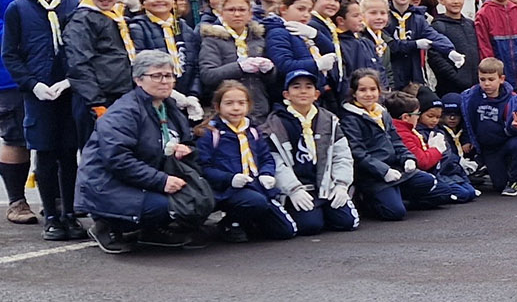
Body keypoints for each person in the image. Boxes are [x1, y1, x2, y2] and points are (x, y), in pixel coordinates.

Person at [77, 50, 208, 253]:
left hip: (147, 176)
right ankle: (107, 225)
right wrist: (161, 181)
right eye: (156, 76)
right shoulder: (123, 112)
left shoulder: (169, 106)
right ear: (138, 80)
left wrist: (186, 149)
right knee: (168, 205)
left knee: (200, 197)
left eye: (169, 75)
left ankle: (151, 230)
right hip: (108, 184)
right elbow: (118, 160)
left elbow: (187, 141)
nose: (165, 81)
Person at [2, 0, 81, 238]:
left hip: (69, 91)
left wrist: (72, 79)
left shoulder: (74, 5)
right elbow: (10, 55)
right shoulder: (18, 9)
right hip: (38, 93)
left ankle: (70, 213)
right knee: (45, 154)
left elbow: (84, 50)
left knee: (69, 154)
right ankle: (51, 215)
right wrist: (32, 84)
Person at [195, 81, 298, 242]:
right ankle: (230, 224)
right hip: (226, 189)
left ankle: (249, 222)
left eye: (241, 103)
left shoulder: (253, 131)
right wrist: (229, 178)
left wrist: (266, 173)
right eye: (229, 103)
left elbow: (266, 157)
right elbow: (203, 167)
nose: (236, 108)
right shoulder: (211, 133)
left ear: (248, 105)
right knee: (255, 202)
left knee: (285, 231)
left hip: (255, 185)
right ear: (217, 106)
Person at [262, 70, 359, 235]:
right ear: (286, 94)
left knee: (347, 222)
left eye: (308, 87)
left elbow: (342, 155)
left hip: (325, 185)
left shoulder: (329, 120)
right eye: (296, 87)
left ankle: (325, 210)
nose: (303, 91)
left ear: (316, 94)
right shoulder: (275, 124)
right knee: (310, 226)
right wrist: (293, 189)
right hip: (298, 188)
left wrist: (341, 184)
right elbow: (276, 162)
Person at [338, 68, 439, 219]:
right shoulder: (350, 119)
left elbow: (396, 140)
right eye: (362, 90)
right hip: (373, 175)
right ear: (354, 93)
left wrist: (407, 157)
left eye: (373, 89)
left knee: (428, 181)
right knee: (395, 213)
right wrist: (384, 171)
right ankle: (368, 201)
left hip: (395, 169)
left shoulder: (382, 113)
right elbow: (358, 153)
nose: (368, 94)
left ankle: (396, 196)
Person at [64, 0, 137, 143]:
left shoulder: (117, 17)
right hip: (98, 100)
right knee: (98, 153)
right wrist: (96, 103)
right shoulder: (82, 20)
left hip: (122, 94)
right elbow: (79, 64)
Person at [198, 0, 274, 118]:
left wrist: (270, 71)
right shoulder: (212, 39)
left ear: (250, 14)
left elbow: (272, 82)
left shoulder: (259, 38)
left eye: (242, 10)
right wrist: (239, 67)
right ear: (221, 13)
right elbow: (208, 75)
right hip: (226, 110)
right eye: (231, 10)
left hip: (259, 108)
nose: (237, 14)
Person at [126, 0, 203, 104]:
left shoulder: (184, 27)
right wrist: (171, 94)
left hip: (185, 96)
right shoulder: (137, 27)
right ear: (143, 2)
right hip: (153, 98)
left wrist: (193, 94)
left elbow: (195, 65)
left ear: (174, 0)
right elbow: (138, 66)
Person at [460, 58, 517, 196]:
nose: (486, 84)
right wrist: (467, 139)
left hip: (506, 141)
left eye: (491, 79)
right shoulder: (471, 97)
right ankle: (488, 167)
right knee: (499, 186)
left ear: (501, 79)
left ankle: (515, 180)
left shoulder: (512, 99)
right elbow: (467, 120)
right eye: (482, 79)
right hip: (488, 148)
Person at [385, 93, 471, 203]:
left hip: (434, 172)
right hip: (412, 176)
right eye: (417, 114)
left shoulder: (410, 130)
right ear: (406, 117)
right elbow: (423, 162)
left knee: (463, 192)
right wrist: (436, 149)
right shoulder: (403, 133)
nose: (418, 117)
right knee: (448, 192)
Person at [382, 0, 456, 92]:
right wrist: (415, 44)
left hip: (413, 74)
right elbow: (392, 46)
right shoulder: (384, 17)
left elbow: (433, 36)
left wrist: (450, 51)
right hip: (391, 75)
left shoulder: (417, 17)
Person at [414, 98, 479, 199]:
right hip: (436, 173)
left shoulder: (440, 132)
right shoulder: (418, 133)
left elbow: (449, 156)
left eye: (438, 117)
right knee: (463, 194)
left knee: (470, 192)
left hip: (450, 172)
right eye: (430, 116)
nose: (434, 120)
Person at [428, 0, 480, 104]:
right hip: (450, 88)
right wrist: (456, 77)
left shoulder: (470, 24)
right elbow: (435, 57)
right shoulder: (438, 26)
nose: (456, 2)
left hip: (474, 85)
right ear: (442, 0)